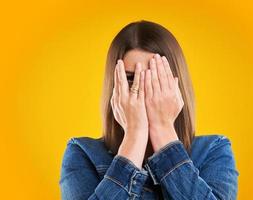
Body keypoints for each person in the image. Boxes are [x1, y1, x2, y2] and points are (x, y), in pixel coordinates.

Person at [59, 20, 239, 200]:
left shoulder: (213, 150)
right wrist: (134, 135)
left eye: (156, 79)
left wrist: (163, 129)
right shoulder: (82, 153)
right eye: (131, 79)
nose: (144, 91)